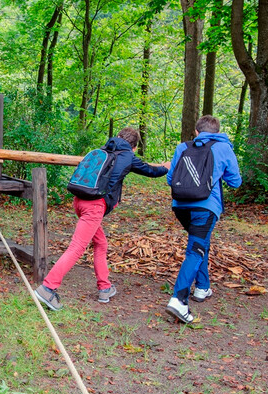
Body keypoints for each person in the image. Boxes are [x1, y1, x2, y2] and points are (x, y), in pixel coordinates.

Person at [34, 128, 170, 310]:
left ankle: (104, 287)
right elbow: (152, 172)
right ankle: (48, 288)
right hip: (94, 207)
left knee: (101, 243)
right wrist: (167, 166)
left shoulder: (103, 150)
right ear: (134, 147)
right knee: (76, 248)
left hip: (79, 201)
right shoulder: (128, 156)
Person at [165, 115, 242, 324]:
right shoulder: (224, 148)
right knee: (195, 250)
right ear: (216, 132)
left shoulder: (183, 147)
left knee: (200, 244)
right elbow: (236, 181)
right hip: (205, 208)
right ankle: (179, 300)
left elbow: (170, 179)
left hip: (180, 206)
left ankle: (202, 288)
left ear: (197, 132)